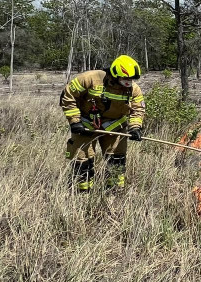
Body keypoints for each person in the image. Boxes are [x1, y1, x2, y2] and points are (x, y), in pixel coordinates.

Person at [60, 54, 145, 193]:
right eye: (126, 78)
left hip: (115, 127)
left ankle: (114, 192)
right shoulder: (90, 78)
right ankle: (82, 193)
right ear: (115, 74)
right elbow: (68, 96)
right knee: (82, 161)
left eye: (131, 79)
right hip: (86, 125)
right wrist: (74, 121)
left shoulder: (133, 89)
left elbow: (138, 109)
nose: (129, 82)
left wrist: (135, 128)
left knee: (116, 160)